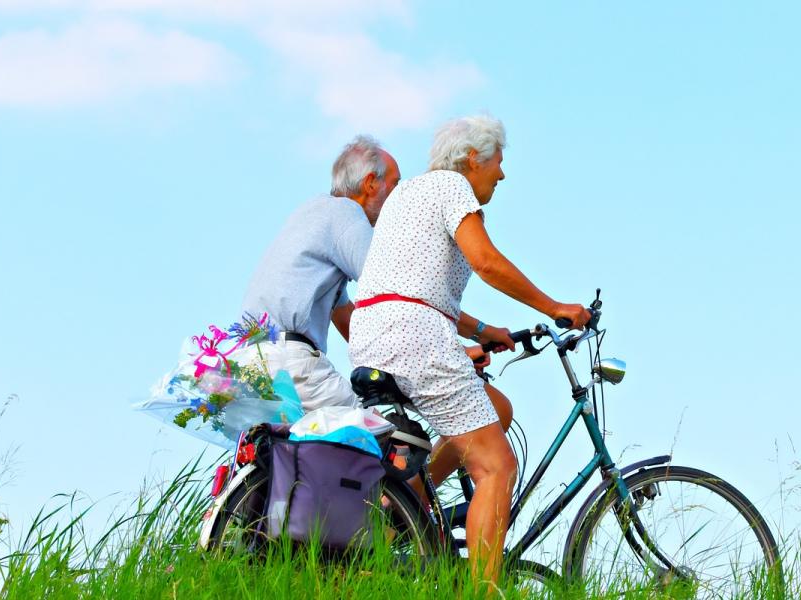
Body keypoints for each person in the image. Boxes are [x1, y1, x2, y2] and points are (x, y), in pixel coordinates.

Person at [348, 114, 591, 583]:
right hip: (413, 336)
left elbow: (410, 284)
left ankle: (408, 508)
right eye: (499, 162)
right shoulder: (452, 186)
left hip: (376, 333)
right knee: (496, 466)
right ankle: (482, 591)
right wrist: (553, 306)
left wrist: (481, 331)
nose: (501, 174)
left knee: (495, 409)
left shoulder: (409, 194)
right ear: (473, 158)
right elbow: (485, 261)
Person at [241, 135, 400, 412]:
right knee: (381, 437)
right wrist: (447, 353)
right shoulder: (347, 213)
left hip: (251, 361)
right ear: (371, 182)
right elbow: (394, 289)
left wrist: (396, 361)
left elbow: (344, 316)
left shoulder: (313, 212)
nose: (398, 198)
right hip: (290, 362)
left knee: (297, 451)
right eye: (396, 185)